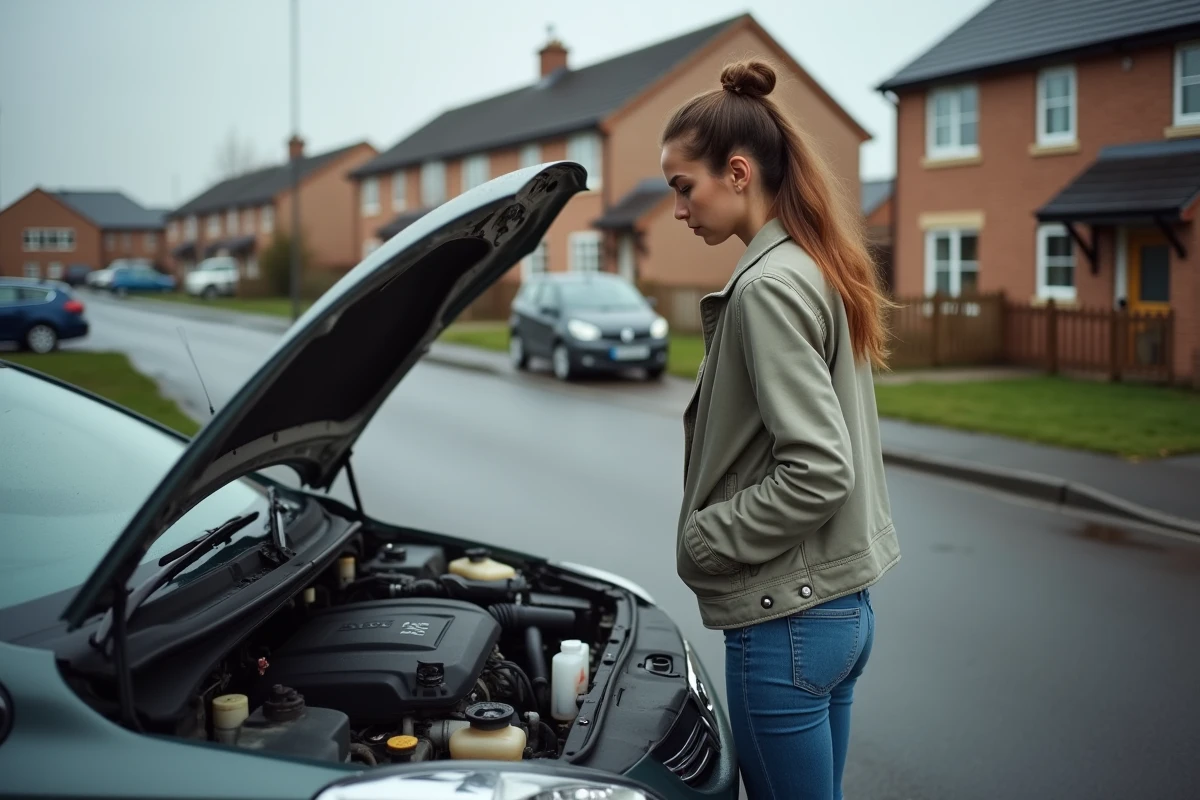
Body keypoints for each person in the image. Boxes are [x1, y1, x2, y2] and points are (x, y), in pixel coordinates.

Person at [660, 59, 901, 800]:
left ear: (737, 173)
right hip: (842, 611)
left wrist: (709, 538)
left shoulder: (766, 288)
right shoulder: (814, 264)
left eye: (683, 187)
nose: (678, 209)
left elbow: (820, 469)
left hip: (787, 621)